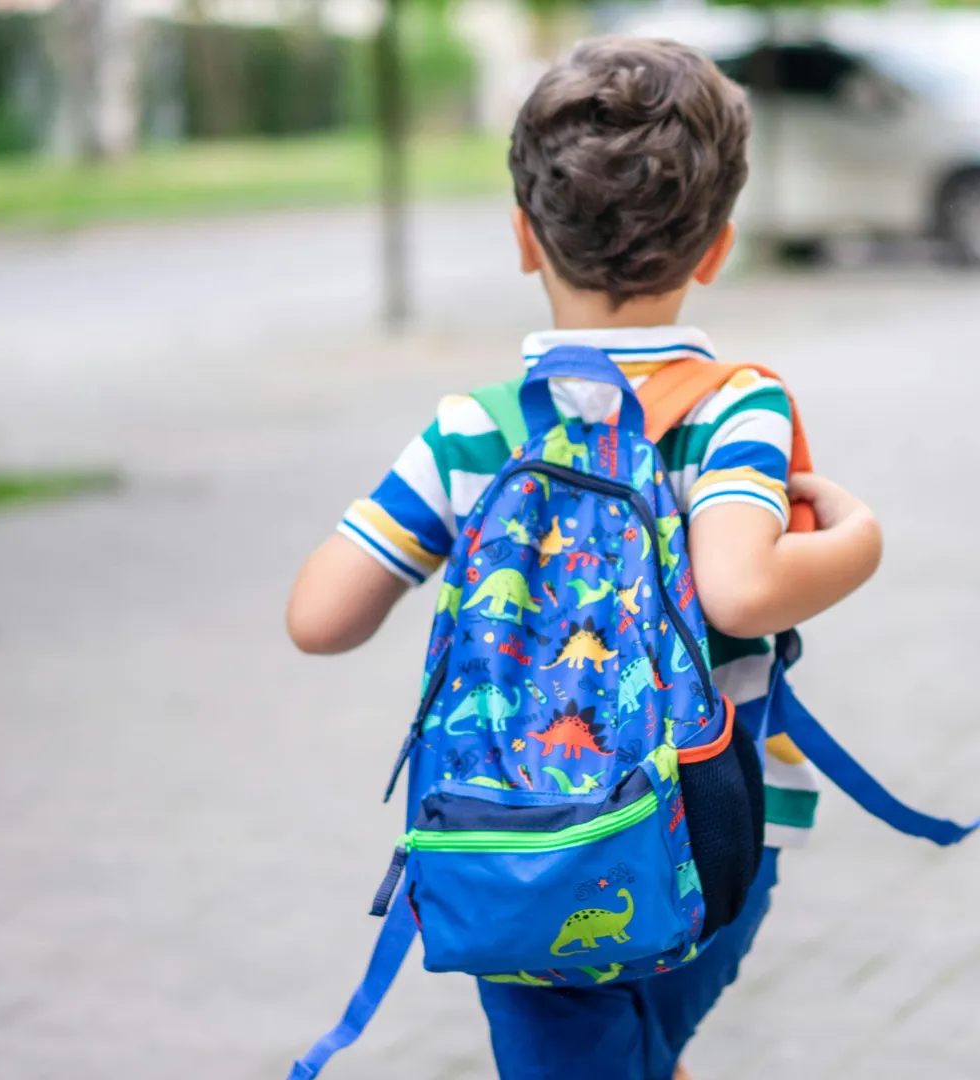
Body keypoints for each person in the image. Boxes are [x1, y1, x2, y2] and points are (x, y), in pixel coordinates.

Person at [284, 35, 884, 1080]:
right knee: (641, 1054)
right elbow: (743, 587)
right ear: (718, 246)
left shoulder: (474, 430)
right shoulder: (736, 406)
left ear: (525, 236)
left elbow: (318, 619)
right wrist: (860, 547)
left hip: (517, 849)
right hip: (712, 831)